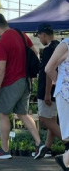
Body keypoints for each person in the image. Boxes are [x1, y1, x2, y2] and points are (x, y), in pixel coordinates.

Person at [0, 13, 46, 159]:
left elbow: (0, 69)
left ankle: (4, 150)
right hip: (26, 80)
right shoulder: (21, 34)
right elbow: (35, 52)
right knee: (23, 113)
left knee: (3, 113)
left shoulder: (2, 43)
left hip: (10, 82)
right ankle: (40, 143)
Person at [44, 35, 69, 171]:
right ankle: (65, 159)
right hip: (65, 94)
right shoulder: (65, 45)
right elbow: (48, 68)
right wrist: (59, 81)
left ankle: (65, 159)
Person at [37, 24, 61, 158]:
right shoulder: (60, 47)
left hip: (47, 89)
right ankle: (47, 147)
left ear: (44, 35)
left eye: (39, 36)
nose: (40, 39)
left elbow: (48, 71)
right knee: (52, 119)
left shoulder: (48, 50)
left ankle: (67, 143)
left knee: (44, 119)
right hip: (58, 88)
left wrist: (46, 92)